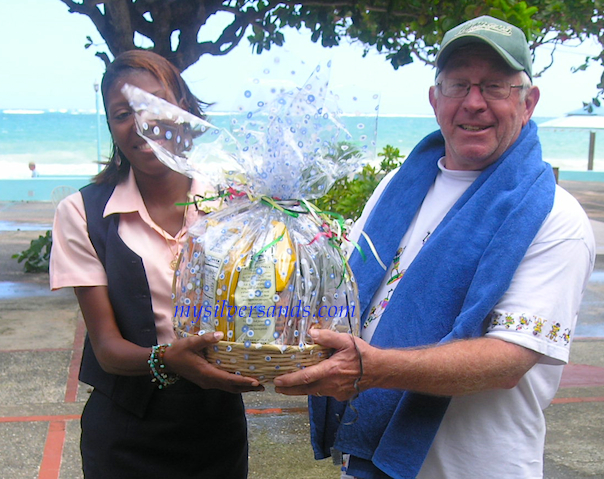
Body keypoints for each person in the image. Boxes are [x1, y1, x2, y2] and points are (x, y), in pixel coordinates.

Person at [273, 15, 596, 479]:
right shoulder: (394, 188)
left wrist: (373, 370)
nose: (474, 103)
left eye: (496, 87)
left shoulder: (554, 217)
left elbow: (507, 361)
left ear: (528, 103)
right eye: (459, 84)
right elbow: (341, 291)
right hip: (367, 461)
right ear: (435, 99)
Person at [50, 50, 263, 479]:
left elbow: (263, 309)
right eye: (122, 112)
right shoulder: (83, 213)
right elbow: (107, 349)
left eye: (153, 103)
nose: (141, 122)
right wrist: (166, 359)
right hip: (125, 438)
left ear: (182, 108)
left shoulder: (234, 204)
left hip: (216, 433)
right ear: (111, 126)